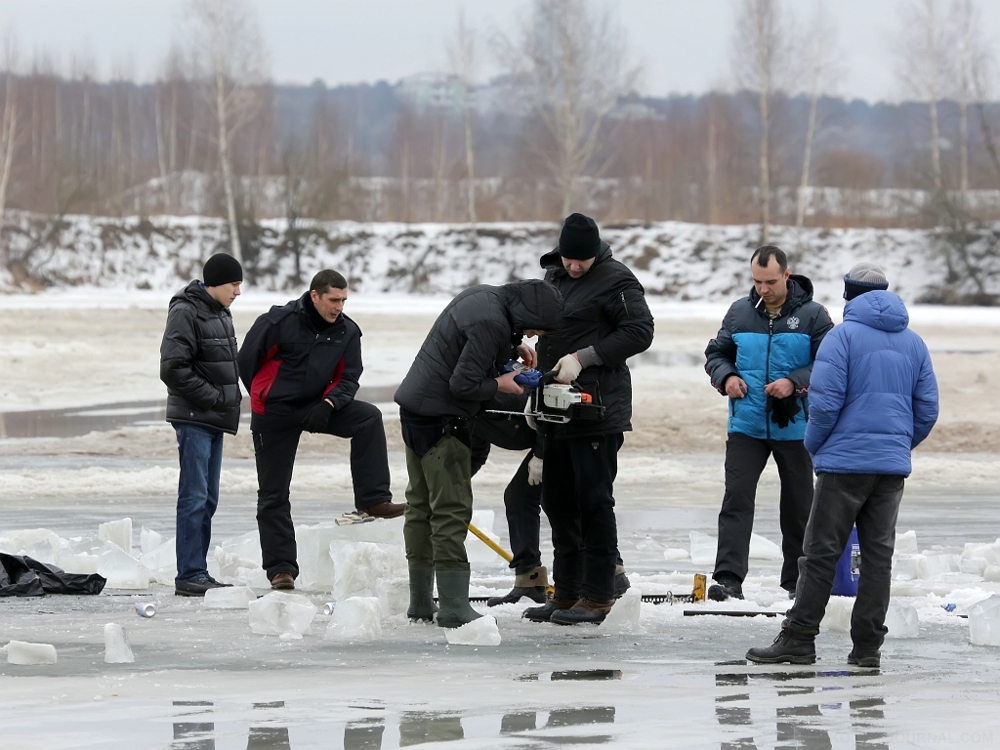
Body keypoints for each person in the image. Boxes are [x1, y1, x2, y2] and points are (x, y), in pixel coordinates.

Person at [746, 262, 939, 667]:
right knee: (877, 559)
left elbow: (824, 404)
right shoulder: (915, 343)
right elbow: (927, 410)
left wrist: (816, 448)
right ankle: (868, 649)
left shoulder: (842, 338)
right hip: (890, 469)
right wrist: (898, 446)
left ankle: (798, 638)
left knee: (819, 554)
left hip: (843, 466)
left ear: (848, 295)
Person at [395, 279, 563, 628]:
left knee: (421, 508)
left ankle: (421, 604)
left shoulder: (485, 296)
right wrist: (501, 383)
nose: (532, 336)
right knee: (450, 512)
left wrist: (511, 347)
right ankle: (455, 607)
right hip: (442, 418)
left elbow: (470, 344)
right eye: (534, 329)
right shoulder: (492, 322)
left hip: (416, 409)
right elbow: (463, 384)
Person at [524, 212, 654, 626]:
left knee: (593, 502)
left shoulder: (618, 280)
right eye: (568, 258)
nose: (573, 266)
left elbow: (640, 330)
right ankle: (565, 592)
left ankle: (598, 596)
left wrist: (584, 357)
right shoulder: (554, 275)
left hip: (597, 408)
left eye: (581, 260)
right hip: (554, 407)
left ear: (595, 253)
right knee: (557, 500)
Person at [237, 269, 402, 591]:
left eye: (343, 300)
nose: (339, 306)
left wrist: (328, 404)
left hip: (318, 408)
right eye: (333, 299)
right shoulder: (277, 323)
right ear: (315, 295)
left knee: (368, 417)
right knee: (273, 494)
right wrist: (266, 396)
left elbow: (349, 375)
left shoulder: (347, 331)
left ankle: (373, 499)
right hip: (274, 413)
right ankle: (281, 569)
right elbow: (246, 362)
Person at [704, 245, 833, 602]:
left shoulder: (813, 316)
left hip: (795, 426)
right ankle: (728, 579)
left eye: (771, 281)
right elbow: (716, 354)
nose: (763, 288)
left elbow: (829, 365)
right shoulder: (739, 313)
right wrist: (726, 376)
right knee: (736, 501)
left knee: (798, 506)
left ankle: (798, 581)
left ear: (787, 276)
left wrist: (794, 382)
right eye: (757, 281)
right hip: (746, 425)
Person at [159, 252, 243, 597]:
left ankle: (198, 570)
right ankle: (189, 573)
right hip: (195, 417)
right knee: (193, 497)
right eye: (234, 284)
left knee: (208, 497)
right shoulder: (186, 311)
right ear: (214, 283)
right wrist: (212, 397)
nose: (238, 292)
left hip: (214, 417)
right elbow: (172, 368)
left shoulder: (219, 312)